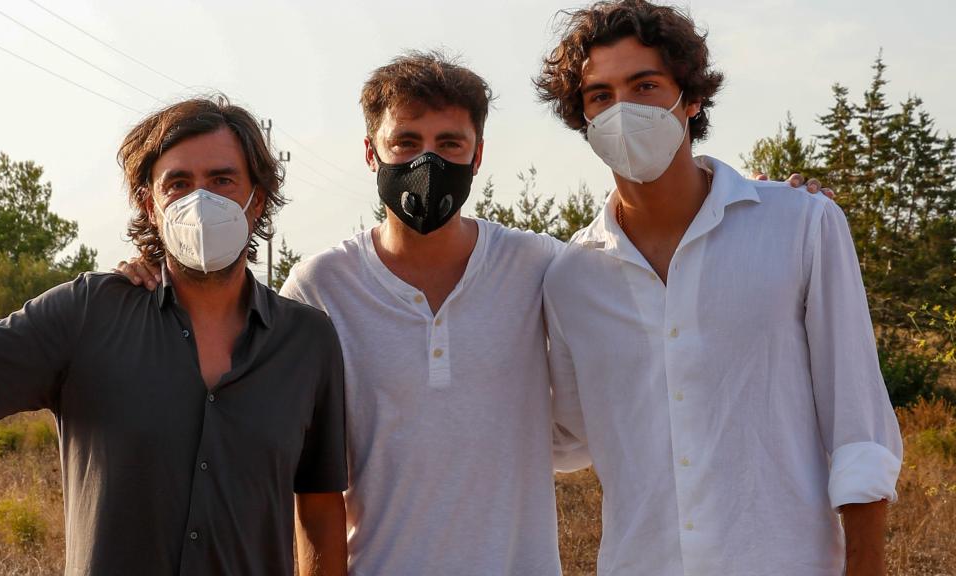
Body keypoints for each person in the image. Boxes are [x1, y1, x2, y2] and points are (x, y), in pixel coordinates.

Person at [118, 53, 828, 574]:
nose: (426, 161)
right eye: (406, 143)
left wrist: (757, 210)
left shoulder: (546, 267)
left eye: (449, 145)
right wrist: (153, 274)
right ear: (372, 152)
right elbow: (303, 473)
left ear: (478, 154)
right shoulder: (320, 286)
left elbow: (658, 289)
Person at [536, 2, 903, 575]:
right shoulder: (570, 278)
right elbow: (571, 441)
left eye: (646, 85)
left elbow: (859, 426)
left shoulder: (800, 225)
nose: (623, 110)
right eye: (600, 96)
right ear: (581, 119)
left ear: (692, 98)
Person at [0, 97, 348, 576]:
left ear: (257, 199)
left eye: (222, 180)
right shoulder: (90, 313)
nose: (201, 200)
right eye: (178, 183)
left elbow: (318, 507)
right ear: (150, 204)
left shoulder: (307, 340)